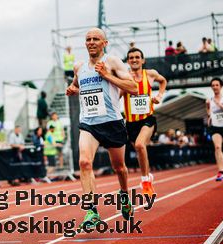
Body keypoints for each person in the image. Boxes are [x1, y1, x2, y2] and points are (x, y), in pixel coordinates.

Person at [66, 27, 138, 228]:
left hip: (112, 122)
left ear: (104, 43)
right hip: (89, 123)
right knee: (84, 162)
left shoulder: (113, 62)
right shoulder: (79, 67)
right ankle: (91, 211)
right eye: (88, 39)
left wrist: (107, 75)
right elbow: (77, 85)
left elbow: (133, 87)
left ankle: (124, 196)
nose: (91, 42)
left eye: (96, 39)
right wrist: (74, 89)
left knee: (119, 168)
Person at [122, 47, 167, 196]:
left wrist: (159, 96)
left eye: (137, 57)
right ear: (128, 61)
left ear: (142, 60)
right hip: (130, 123)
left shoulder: (151, 74)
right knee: (140, 150)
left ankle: (145, 180)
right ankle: (147, 175)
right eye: (131, 58)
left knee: (141, 145)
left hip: (147, 119)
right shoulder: (124, 77)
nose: (134, 60)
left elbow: (163, 81)